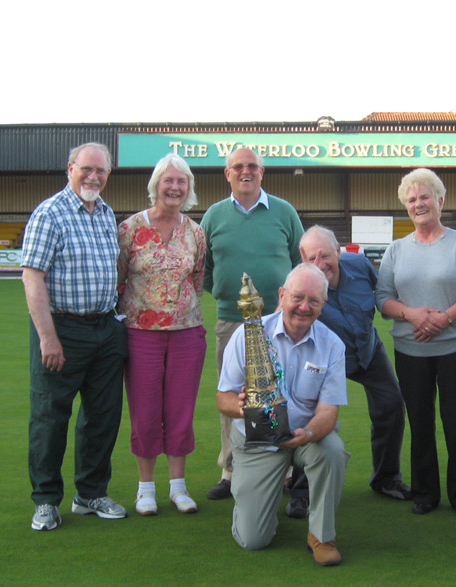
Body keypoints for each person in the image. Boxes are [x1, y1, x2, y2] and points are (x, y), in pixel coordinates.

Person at [21, 142, 129, 531]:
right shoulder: (50, 213)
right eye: (87, 169)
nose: (93, 177)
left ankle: (90, 493)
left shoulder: (106, 213)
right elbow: (32, 278)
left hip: (105, 328)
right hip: (62, 329)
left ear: (108, 175)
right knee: (50, 419)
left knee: (103, 417)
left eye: (101, 171)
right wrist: (48, 338)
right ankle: (46, 500)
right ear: (71, 168)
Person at [217, 264, 350, 566]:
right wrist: (242, 406)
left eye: (313, 300)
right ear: (282, 295)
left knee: (331, 449)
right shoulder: (247, 334)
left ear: (323, 304)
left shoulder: (332, 345)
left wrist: (309, 434)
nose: (304, 307)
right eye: (297, 297)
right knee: (253, 540)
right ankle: (254, 500)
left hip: (306, 437)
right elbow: (223, 398)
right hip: (258, 442)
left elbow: (328, 413)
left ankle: (321, 536)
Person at [376, 168, 456, 517]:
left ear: (440, 200)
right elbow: (383, 299)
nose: (418, 204)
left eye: (424, 197)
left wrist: (444, 319)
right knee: (420, 422)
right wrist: (412, 315)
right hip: (410, 350)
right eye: (411, 199)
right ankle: (425, 492)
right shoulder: (396, 250)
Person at [199, 147, 304, 511]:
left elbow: (299, 262)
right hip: (231, 320)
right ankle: (230, 470)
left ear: (262, 172)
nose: (246, 172)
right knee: (232, 396)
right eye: (238, 167)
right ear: (227, 173)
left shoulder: (284, 212)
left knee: (283, 392)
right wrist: (225, 293)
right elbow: (205, 270)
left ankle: (286, 470)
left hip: (281, 322)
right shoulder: (213, 216)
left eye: (252, 166)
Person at [117, 154, 207, 516]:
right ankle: (145, 489)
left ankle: (178, 487)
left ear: (189, 188)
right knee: (145, 412)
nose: (175, 187)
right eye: (168, 180)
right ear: (156, 184)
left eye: (181, 181)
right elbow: (119, 280)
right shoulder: (129, 229)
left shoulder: (195, 232)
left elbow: (196, 280)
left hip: (187, 333)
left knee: (181, 410)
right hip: (141, 334)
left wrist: (180, 312)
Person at [299, 225, 411, 501]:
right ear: (303, 258)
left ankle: (386, 478)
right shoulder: (301, 283)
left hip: (367, 350)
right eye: (312, 258)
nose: (320, 264)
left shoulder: (361, 266)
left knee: (391, 403)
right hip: (323, 360)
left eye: (326, 255)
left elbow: (383, 296)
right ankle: (300, 489)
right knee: (305, 416)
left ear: (338, 251)